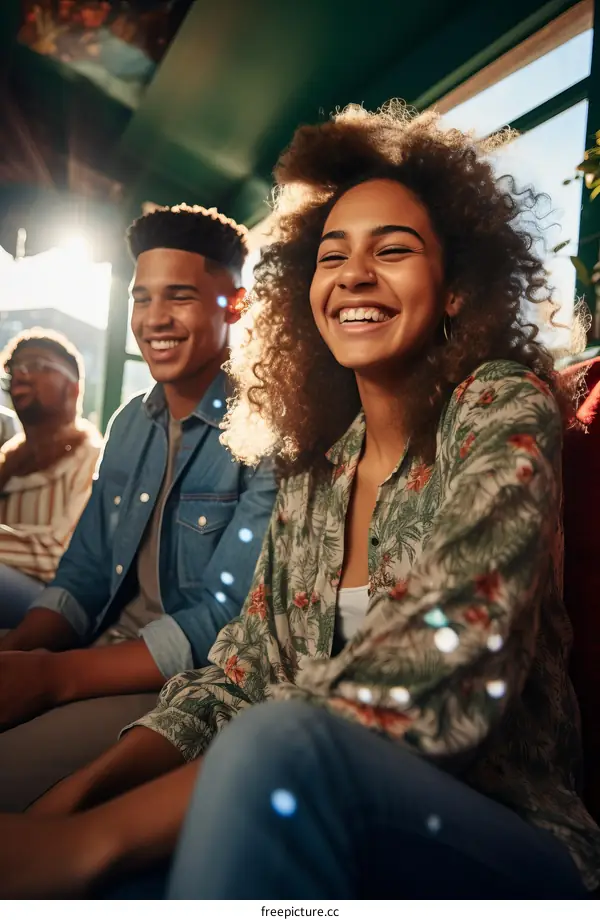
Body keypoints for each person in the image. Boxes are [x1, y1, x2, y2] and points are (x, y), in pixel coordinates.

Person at [1, 102, 599, 899]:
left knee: (267, 747)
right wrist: (69, 800)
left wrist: (88, 839)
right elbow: (240, 675)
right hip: (309, 806)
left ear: (456, 289)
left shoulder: (498, 406)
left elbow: (428, 673)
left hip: (504, 836)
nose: (354, 273)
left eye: (393, 249)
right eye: (331, 255)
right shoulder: (317, 469)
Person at [0, 204, 276, 812]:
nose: (154, 320)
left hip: (174, 686)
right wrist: (20, 653)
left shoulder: (267, 429)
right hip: (91, 650)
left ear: (238, 306)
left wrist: (49, 678)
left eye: (178, 298)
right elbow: (84, 572)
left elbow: (224, 619)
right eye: (140, 298)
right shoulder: (131, 422)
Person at [0, 330, 101, 626]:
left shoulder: (92, 456)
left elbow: (63, 554)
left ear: (73, 388)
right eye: (13, 368)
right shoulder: (9, 457)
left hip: (56, 602)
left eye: (38, 365)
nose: (21, 374)